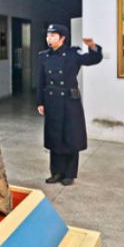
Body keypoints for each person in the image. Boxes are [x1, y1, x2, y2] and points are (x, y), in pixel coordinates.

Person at [36, 24, 102, 186]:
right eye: (48, 35)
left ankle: (69, 174)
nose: (49, 38)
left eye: (53, 35)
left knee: (70, 136)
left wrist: (93, 46)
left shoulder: (73, 54)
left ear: (62, 38)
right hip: (51, 100)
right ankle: (56, 172)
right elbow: (41, 81)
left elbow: (93, 59)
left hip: (69, 101)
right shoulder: (44, 56)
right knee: (54, 136)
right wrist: (40, 102)